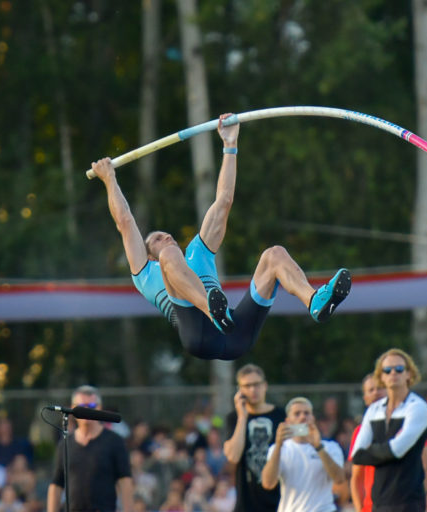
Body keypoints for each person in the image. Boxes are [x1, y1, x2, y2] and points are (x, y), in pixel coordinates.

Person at [91, 113, 352, 361]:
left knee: (275, 254)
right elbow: (124, 221)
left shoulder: (198, 251)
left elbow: (224, 201)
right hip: (199, 335)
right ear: (148, 254)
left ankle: (314, 301)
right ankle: (211, 310)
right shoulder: (145, 272)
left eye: (166, 234)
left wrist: (230, 144)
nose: (166, 236)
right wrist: (109, 179)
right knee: (171, 257)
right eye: (157, 238)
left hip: (236, 335)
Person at [351, 348, 427, 512]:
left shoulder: (417, 407)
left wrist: (372, 452)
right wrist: (387, 451)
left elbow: (398, 450)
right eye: (387, 370)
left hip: (409, 502)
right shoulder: (374, 410)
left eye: (399, 369)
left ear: (409, 374)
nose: (393, 373)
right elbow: (357, 455)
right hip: (378, 503)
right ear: (381, 376)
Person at [47, 385, 134, 512]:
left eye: (92, 406)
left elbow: (125, 481)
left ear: (100, 408)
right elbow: (56, 485)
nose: (87, 410)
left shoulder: (114, 441)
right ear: (73, 408)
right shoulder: (65, 443)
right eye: (82, 406)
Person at [261, 397, 346, 512]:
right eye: (297, 414)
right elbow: (268, 483)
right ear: (288, 421)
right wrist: (278, 446)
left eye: (307, 413)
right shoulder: (280, 449)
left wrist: (318, 447)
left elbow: (339, 479)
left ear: (313, 418)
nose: (303, 417)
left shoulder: (330, 447)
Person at [224, 364, 285, 512]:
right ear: (240, 390)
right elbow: (233, 456)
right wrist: (243, 417)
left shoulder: (281, 415)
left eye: (256, 384)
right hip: (247, 504)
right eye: (247, 386)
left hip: (280, 501)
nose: (252, 390)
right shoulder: (234, 418)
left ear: (265, 385)